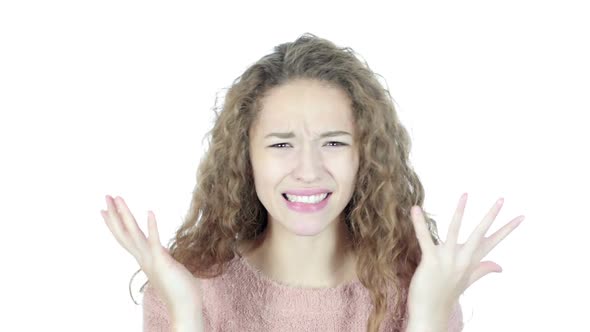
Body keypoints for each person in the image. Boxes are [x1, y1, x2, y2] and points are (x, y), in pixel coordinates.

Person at [101, 33, 525, 332]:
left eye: (334, 142)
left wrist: (429, 320)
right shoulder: (186, 290)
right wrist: (187, 317)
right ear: (245, 158)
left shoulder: (420, 289)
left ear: (366, 156)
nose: (308, 169)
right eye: (281, 144)